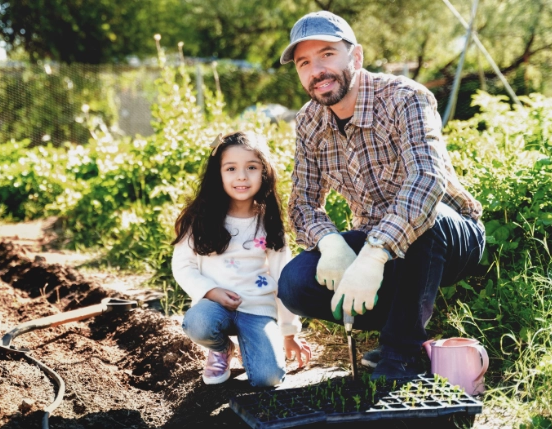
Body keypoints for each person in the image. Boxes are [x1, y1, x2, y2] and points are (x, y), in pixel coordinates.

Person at [277, 11, 486, 380]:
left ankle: (400, 352)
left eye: (327, 54)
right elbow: (302, 203)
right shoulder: (309, 121)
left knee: (425, 216)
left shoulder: (405, 98)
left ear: (355, 57)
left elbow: (427, 181)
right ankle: (403, 321)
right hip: (376, 233)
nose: (316, 70)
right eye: (304, 63)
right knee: (295, 282)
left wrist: (373, 257)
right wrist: (330, 244)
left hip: (450, 234)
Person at [171, 131, 312, 386]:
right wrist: (211, 291)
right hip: (214, 309)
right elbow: (183, 265)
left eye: (252, 167)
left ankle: (254, 348)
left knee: (268, 378)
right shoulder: (200, 218)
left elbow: (283, 278)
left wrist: (289, 332)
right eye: (231, 168)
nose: (242, 176)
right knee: (198, 322)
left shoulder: (268, 222)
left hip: (257, 310)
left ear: (264, 172)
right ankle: (222, 348)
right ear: (218, 174)